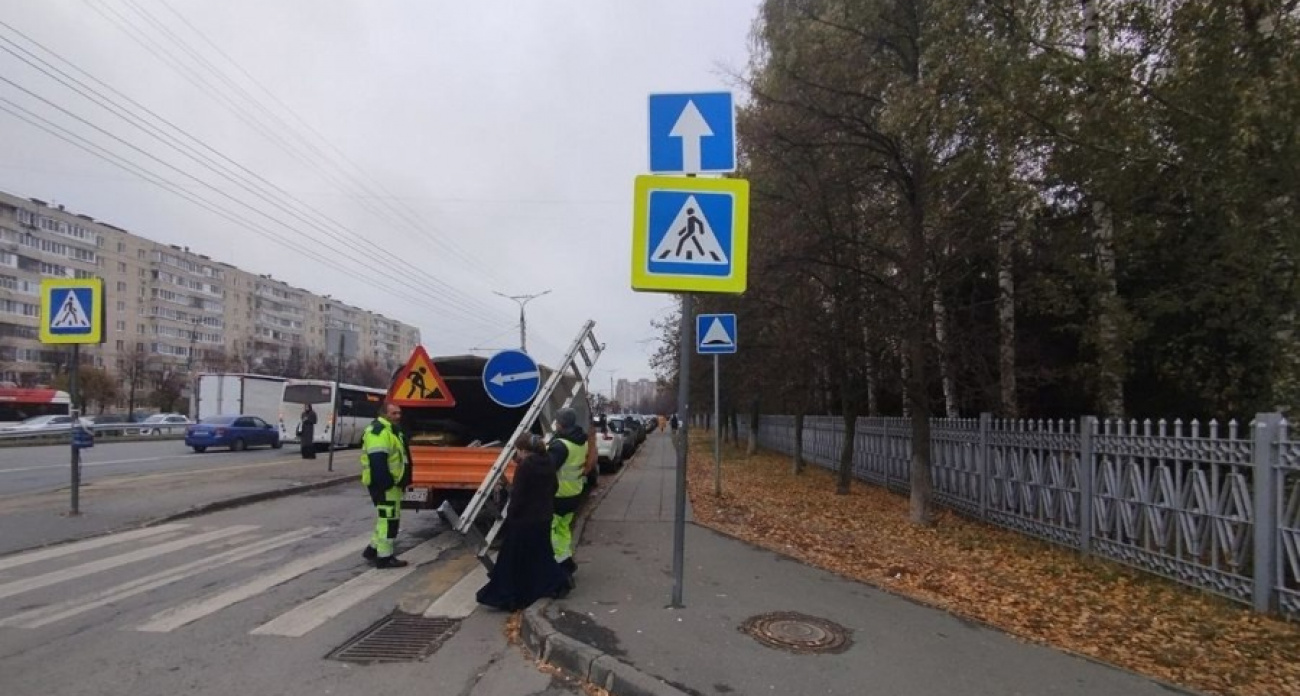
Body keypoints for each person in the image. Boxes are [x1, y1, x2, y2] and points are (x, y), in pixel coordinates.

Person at [475, 450, 571, 611]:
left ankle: (508, 596)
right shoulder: (548, 462)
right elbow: (554, 487)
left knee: (512, 559)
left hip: (524, 519)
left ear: (523, 450)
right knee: (540, 555)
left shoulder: (525, 467)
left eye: (518, 450)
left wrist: (511, 515)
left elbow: (518, 495)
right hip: (543, 517)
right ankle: (557, 582)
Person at [515, 407, 590, 579]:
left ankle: (560, 568)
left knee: (552, 532)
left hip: (558, 495)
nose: (555, 424)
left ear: (561, 424)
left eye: (556, 421)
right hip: (574, 492)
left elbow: (547, 467)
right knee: (563, 529)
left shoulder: (560, 446)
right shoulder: (580, 441)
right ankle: (566, 560)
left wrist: (528, 458)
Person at [360, 403, 411, 568]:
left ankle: (373, 550)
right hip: (385, 485)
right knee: (389, 520)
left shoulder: (391, 430)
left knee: (385, 517)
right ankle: (385, 557)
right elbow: (377, 460)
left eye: (399, 413)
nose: (398, 416)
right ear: (384, 414)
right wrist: (387, 483)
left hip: (391, 484)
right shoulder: (379, 432)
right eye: (394, 413)